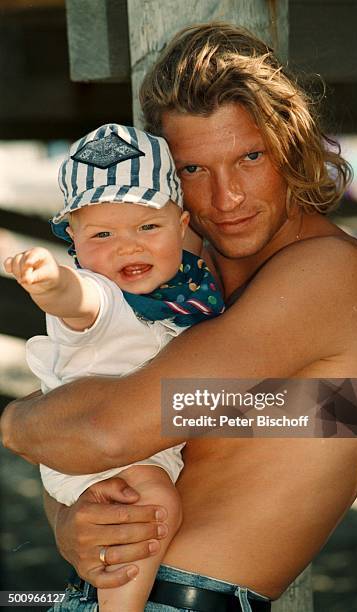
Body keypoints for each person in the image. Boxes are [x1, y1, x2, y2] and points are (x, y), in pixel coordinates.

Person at [1, 22, 357, 612]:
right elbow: (95, 430)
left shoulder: (334, 277)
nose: (227, 197)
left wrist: (14, 424)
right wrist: (71, 522)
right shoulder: (181, 276)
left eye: (249, 157)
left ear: (291, 143)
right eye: (194, 170)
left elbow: (102, 431)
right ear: (166, 180)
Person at [3, 123, 223, 612]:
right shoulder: (107, 294)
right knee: (152, 507)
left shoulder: (184, 296)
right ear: (76, 246)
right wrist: (50, 281)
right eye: (103, 234)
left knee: (142, 513)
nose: (128, 247)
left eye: (148, 227)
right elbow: (80, 300)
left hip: (125, 448)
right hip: (105, 453)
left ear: (182, 227)